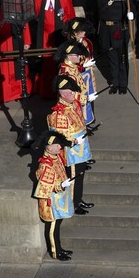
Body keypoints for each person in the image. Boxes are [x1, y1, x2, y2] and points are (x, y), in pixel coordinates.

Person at [76, 0, 137, 95]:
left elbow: (133, 7)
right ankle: (114, 82)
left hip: (119, 28)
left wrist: (132, 15)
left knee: (122, 57)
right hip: (105, 28)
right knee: (111, 56)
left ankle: (123, 84)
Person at [47, 75, 94, 216]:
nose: (73, 94)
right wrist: (73, 141)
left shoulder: (73, 105)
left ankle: (78, 199)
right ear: (62, 94)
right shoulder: (58, 113)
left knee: (80, 175)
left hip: (80, 150)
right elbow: (60, 136)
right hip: (71, 153)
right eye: (69, 92)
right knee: (74, 178)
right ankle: (74, 203)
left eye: (72, 91)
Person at [33, 131, 74, 261]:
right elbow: (45, 187)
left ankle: (60, 248)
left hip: (59, 198)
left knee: (57, 225)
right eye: (57, 146)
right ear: (49, 147)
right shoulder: (46, 164)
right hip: (51, 202)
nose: (60, 147)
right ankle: (56, 251)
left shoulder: (55, 158)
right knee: (53, 227)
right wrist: (61, 185)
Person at [32, 0, 75, 98]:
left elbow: (71, 17)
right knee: (47, 66)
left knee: (61, 64)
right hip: (45, 38)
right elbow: (36, 16)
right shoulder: (39, 0)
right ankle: (47, 92)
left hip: (60, 36)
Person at [0, 0, 32, 103]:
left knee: (20, 67)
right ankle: (8, 94)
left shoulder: (19, 7)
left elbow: (25, 25)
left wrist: (27, 41)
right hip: (4, 43)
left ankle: (21, 92)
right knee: (6, 68)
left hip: (17, 41)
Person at [64, 18, 97, 122]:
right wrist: (82, 64)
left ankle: (90, 119)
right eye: (81, 31)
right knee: (78, 99)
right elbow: (68, 61)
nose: (84, 33)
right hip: (77, 75)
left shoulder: (88, 42)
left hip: (87, 75)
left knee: (90, 98)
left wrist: (89, 62)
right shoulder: (69, 44)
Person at [55, 40, 95, 126]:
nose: (79, 57)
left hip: (77, 106)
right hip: (71, 108)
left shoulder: (72, 66)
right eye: (77, 55)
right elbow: (68, 94)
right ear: (69, 56)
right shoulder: (66, 73)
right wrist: (86, 98)